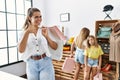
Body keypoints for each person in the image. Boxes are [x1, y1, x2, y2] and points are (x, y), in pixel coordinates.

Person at [18, 8, 58, 80]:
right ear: (29, 18)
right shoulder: (23, 33)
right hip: (31, 64)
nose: (39, 19)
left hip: (46, 62)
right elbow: (21, 50)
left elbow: (55, 47)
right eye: (36, 17)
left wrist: (46, 36)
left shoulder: (44, 30)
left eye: (40, 16)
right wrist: (27, 32)